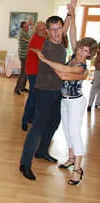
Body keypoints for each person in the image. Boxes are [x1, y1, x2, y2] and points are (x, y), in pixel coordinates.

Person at [32, 1, 97, 185]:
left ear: (89, 54)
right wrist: (72, 15)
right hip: (65, 100)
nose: (82, 51)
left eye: (86, 51)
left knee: (75, 133)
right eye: (81, 48)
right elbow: (72, 32)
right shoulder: (75, 55)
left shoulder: (81, 67)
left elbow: (61, 72)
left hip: (76, 102)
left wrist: (44, 59)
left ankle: (77, 169)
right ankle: (70, 159)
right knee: (67, 132)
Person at [19, 15, 66, 181]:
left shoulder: (62, 42)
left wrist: (71, 14)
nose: (55, 33)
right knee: (37, 127)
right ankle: (25, 164)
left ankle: (42, 151)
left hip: (57, 91)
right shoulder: (43, 44)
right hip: (43, 91)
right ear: (47, 31)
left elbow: (66, 30)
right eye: (52, 30)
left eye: (58, 29)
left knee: (54, 123)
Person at [20, 22, 47, 131]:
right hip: (33, 71)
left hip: (41, 71)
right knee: (33, 95)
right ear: (36, 30)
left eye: (44, 29)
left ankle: (31, 117)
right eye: (40, 29)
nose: (43, 31)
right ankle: (25, 120)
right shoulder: (35, 39)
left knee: (37, 96)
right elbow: (42, 54)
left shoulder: (44, 38)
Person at [14, 19, 33, 95]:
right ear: (22, 28)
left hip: (27, 55)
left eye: (27, 26)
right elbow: (29, 40)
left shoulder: (26, 32)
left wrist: (30, 24)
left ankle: (22, 87)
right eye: (25, 27)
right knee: (23, 73)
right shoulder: (21, 33)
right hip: (23, 55)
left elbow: (30, 36)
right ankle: (17, 88)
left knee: (26, 72)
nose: (27, 28)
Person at [87, 48, 100, 112]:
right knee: (94, 88)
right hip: (98, 71)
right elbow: (96, 64)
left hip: (98, 71)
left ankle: (97, 103)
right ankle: (90, 105)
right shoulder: (99, 53)